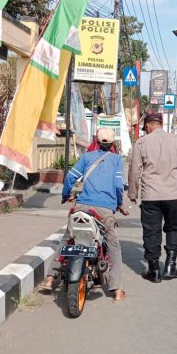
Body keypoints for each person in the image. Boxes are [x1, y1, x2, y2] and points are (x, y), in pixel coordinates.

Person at [42, 128, 128, 301]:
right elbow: (119, 185)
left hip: (82, 207)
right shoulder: (117, 160)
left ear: (95, 140)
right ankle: (117, 290)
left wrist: (66, 195)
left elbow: (70, 178)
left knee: (68, 238)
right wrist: (119, 204)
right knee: (114, 246)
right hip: (104, 211)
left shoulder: (87, 157)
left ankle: (50, 278)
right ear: (112, 143)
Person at [128, 113, 177, 283]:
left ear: (148, 126)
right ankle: (170, 267)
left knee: (151, 231)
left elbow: (134, 170)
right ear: (161, 124)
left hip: (150, 195)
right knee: (173, 228)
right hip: (173, 195)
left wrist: (133, 193)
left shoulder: (141, 143)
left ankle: (154, 270)